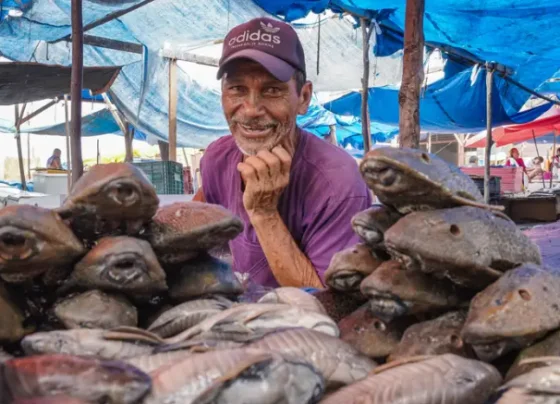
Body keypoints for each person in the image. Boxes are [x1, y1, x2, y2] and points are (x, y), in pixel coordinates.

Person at [193, 17, 372, 289]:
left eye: (272, 89)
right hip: (241, 318)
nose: (251, 109)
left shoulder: (339, 183)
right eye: (237, 89)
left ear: (303, 98)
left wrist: (264, 212)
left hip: (307, 329)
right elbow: (194, 227)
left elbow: (330, 304)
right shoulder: (217, 158)